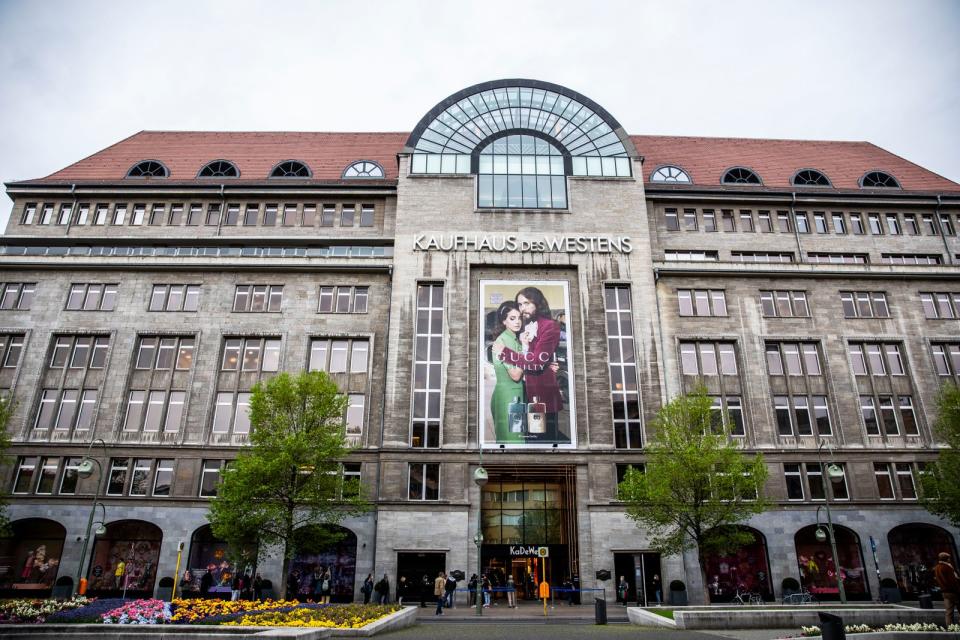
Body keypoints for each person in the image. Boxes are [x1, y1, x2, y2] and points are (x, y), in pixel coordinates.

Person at [492, 287, 564, 442]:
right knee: (525, 440)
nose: (522, 308)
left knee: (544, 442)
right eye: (520, 304)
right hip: (523, 394)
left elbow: (537, 362)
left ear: (537, 303)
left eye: (526, 303)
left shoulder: (550, 326)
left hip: (542, 395)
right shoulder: (522, 326)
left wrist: (505, 353)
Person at [490, 301, 525, 443]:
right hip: (509, 398)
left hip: (512, 395)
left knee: (511, 441)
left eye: (519, 317)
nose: (517, 322)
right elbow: (516, 375)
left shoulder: (515, 339)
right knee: (513, 442)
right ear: (504, 321)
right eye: (512, 318)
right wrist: (526, 351)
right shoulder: (504, 340)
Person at [934, 552, 960, 628]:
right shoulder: (947, 567)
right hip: (953, 592)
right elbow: (953, 581)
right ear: (946, 559)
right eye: (949, 558)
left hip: (944, 592)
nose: (950, 559)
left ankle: (950, 627)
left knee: (949, 611)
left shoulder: (937, 567)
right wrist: (958, 590)